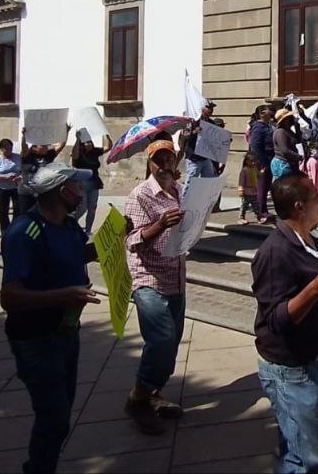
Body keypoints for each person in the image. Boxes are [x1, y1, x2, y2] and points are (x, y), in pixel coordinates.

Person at [0, 163, 100, 474]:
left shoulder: (69, 226)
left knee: (63, 408)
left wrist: (111, 239)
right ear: (62, 191)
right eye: (77, 186)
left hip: (66, 330)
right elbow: (10, 298)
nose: (82, 191)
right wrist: (63, 295)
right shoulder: (24, 232)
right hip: (35, 337)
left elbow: (74, 254)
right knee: (54, 415)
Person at [252, 175, 318, 474]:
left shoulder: (307, 239)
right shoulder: (274, 253)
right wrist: (317, 288)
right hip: (290, 369)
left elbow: (314, 272)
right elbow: (277, 319)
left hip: (314, 357)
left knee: (294, 436)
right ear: (299, 207)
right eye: (316, 200)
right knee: (308, 457)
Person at [123, 140, 188, 433]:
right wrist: (160, 225)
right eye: (157, 160)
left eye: (168, 158)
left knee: (171, 343)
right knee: (161, 339)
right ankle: (138, 399)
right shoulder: (140, 195)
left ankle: (153, 394)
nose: (164, 165)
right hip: (149, 278)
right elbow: (132, 241)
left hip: (175, 276)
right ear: (149, 163)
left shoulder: (180, 189)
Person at [20, 124, 69, 214]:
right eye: (43, 145)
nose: (46, 147)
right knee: (24, 215)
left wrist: (66, 132)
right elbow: (24, 147)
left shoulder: (49, 155)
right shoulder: (27, 156)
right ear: (34, 148)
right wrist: (24, 136)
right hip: (26, 192)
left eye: (46, 145)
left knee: (41, 215)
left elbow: (61, 145)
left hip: (42, 192)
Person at [71, 130, 113, 234]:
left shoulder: (94, 152)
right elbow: (74, 155)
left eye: (90, 142)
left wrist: (106, 134)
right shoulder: (79, 154)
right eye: (86, 142)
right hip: (81, 184)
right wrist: (77, 139)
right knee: (83, 207)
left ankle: (88, 230)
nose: (89, 144)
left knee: (92, 208)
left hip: (94, 183)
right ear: (82, 144)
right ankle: (71, 222)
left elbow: (108, 147)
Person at [249, 105, 277, 224]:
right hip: (262, 161)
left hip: (269, 159)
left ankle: (264, 210)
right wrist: (262, 163)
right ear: (261, 114)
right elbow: (255, 146)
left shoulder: (268, 125)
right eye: (267, 110)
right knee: (261, 187)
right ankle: (260, 212)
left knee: (265, 187)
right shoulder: (258, 127)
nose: (270, 112)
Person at [0, 138, 23, 233]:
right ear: (1, 149)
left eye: (10, 148)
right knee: (3, 211)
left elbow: (24, 171)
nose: (9, 151)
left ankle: (15, 229)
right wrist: (4, 177)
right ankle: (4, 230)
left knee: (17, 209)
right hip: (2, 188)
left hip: (16, 187)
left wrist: (20, 177)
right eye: (6, 149)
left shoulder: (18, 157)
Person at [183, 101, 220, 180]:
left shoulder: (211, 123)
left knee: (208, 180)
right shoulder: (193, 121)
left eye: (212, 108)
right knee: (191, 182)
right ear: (202, 108)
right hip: (194, 158)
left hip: (205, 157)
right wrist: (194, 132)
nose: (211, 110)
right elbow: (184, 135)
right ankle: (187, 193)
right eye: (208, 107)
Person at [271, 109, 303, 179]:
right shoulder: (280, 132)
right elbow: (285, 150)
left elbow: (298, 140)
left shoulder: (288, 131)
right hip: (283, 164)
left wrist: (297, 127)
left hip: (290, 163)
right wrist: (299, 157)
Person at [238, 152, 261, 224]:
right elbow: (241, 181)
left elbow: (258, 175)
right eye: (252, 161)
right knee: (244, 205)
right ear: (247, 161)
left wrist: (261, 173)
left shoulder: (254, 169)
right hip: (246, 191)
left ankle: (259, 216)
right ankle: (241, 217)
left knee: (256, 205)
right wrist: (241, 188)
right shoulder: (244, 170)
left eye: (255, 161)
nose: (254, 163)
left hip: (254, 191)